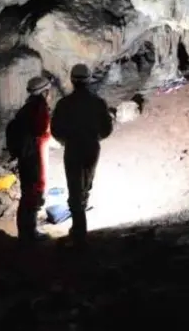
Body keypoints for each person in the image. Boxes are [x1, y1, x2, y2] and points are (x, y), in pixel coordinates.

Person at [51, 64, 113, 247]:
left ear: (72, 80)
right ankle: (80, 228)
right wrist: (95, 137)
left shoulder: (64, 104)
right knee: (86, 183)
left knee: (74, 186)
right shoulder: (98, 102)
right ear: (89, 79)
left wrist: (65, 140)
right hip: (92, 147)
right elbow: (107, 128)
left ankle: (79, 232)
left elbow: (55, 129)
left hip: (73, 147)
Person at [10, 76, 53, 243]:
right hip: (34, 154)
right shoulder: (39, 108)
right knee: (34, 190)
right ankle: (30, 232)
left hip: (25, 154)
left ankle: (24, 232)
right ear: (44, 91)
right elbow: (41, 130)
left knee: (27, 191)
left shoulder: (26, 108)